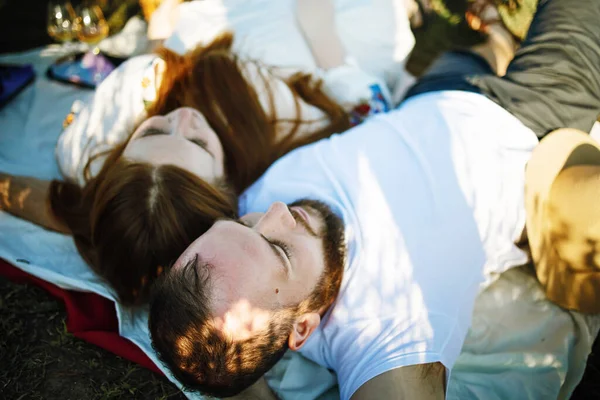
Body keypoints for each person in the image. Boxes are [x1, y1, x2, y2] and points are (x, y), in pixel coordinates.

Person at [148, 0, 600, 398]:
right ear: (302, 327)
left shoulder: (239, 258)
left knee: (470, 54)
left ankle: (495, 35)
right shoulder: (379, 328)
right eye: (279, 249)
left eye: (243, 223)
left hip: (431, 96)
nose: (277, 212)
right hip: (525, 121)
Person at [0, 31, 363, 306]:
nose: (183, 119)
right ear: (227, 187)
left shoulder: (89, 165)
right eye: (199, 144)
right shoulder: (278, 144)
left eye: (155, 128)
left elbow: (48, 202)